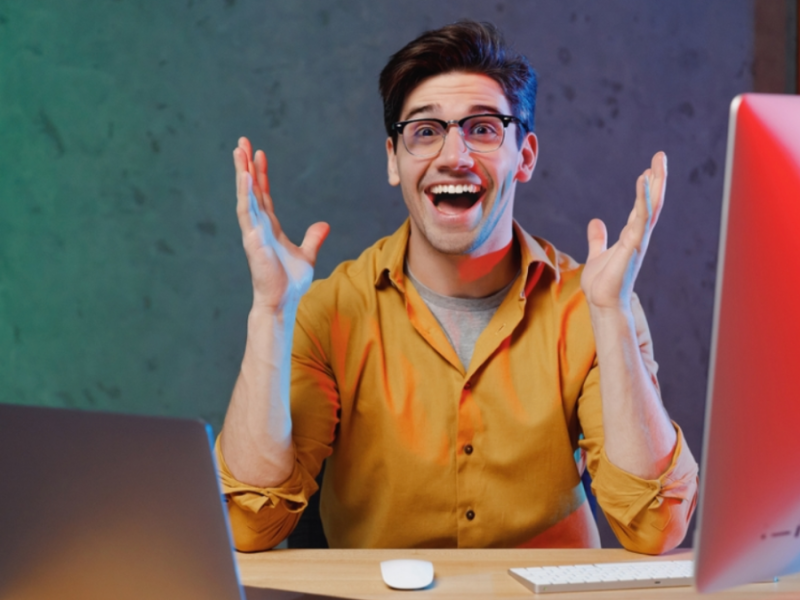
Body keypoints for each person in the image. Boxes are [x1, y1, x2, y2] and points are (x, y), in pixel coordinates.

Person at [216, 20, 698, 553]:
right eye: (425, 131)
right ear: (393, 161)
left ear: (526, 156)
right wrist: (271, 311)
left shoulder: (592, 305)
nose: (454, 155)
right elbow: (250, 526)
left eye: (484, 129)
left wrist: (610, 316)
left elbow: (656, 529)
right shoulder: (327, 310)